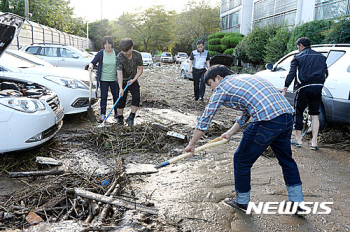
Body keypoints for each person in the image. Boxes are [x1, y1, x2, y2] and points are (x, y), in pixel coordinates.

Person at [184, 65, 305, 213]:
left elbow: (205, 119)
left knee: (241, 160)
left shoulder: (222, 88)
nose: (211, 89)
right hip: (286, 117)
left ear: (218, 78)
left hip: (266, 120)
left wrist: (192, 144)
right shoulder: (242, 79)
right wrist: (229, 133)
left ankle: (241, 201)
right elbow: (246, 113)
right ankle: (297, 202)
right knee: (287, 160)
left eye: (210, 84)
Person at [282, 37, 328, 150]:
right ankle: (314, 142)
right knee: (315, 114)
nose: (298, 49)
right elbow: (326, 73)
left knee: (298, 113)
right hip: (318, 88)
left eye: (298, 47)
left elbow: (291, 74)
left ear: (301, 45)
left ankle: (298, 140)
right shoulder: (321, 57)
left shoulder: (297, 57)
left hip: (303, 88)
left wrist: (285, 89)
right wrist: (319, 83)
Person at [88, 36, 119, 121]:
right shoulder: (101, 53)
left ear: (112, 44)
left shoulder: (116, 53)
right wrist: (90, 66)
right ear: (103, 45)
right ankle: (102, 114)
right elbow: (92, 62)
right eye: (106, 44)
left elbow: (121, 63)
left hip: (114, 80)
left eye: (109, 44)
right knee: (104, 97)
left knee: (116, 96)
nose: (107, 46)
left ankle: (116, 113)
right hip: (104, 80)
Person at [115, 38, 143, 126]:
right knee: (121, 99)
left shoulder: (137, 55)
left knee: (136, 97)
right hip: (122, 80)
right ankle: (120, 119)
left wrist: (133, 80)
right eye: (123, 51)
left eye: (126, 51)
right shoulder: (119, 56)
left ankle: (131, 117)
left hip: (133, 79)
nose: (124, 53)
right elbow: (119, 73)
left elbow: (140, 70)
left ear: (131, 48)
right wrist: (120, 89)